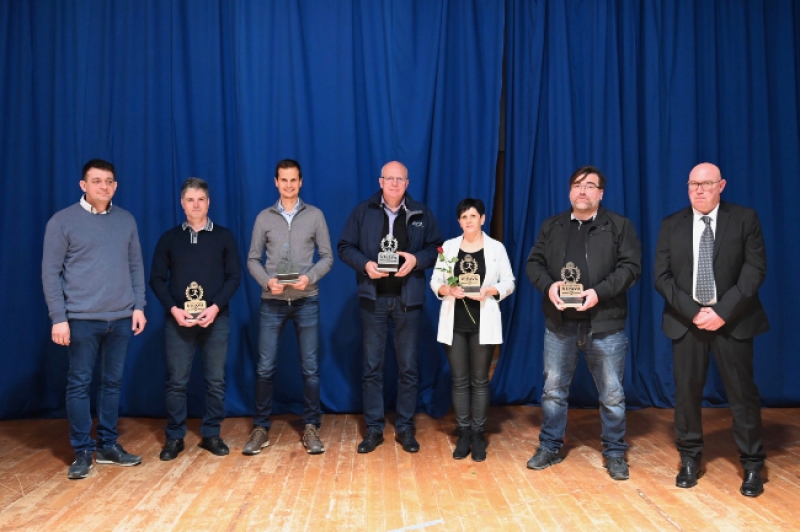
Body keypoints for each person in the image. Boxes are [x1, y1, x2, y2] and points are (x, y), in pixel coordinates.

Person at [655, 162, 768, 497]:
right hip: (686, 322)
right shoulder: (671, 224)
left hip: (733, 320)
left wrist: (721, 312)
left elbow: (754, 270)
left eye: (706, 184)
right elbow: (662, 277)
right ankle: (689, 458)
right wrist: (695, 313)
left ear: (722, 185)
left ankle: (752, 464)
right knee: (687, 394)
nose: (699, 190)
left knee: (742, 394)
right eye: (693, 184)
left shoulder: (745, 219)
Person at [526, 165, 641, 480]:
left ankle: (614, 452)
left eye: (590, 185)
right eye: (577, 184)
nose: (582, 190)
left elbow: (631, 267)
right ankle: (550, 446)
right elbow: (534, 263)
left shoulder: (619, 226)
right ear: (569, 192)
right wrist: (549, 286)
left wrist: (598, 293)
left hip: (604, 325)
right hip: (560, 325)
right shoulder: (552, 225)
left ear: (600, 193)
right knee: (553, 391)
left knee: (612, 394)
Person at [42, 159, 147, 479]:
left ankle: (108, 445)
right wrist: (58, 318)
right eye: (97, 181)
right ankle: (83, 450)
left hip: (121, 317)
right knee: (79, 384)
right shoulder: (62, 222)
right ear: (83, 185)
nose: (104, 186)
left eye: (109, 181)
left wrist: (139, 306)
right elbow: (50, 273)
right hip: (81, 319)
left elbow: (135, 266)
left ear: (115, 186)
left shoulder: (126, 220)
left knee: (112, 383)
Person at [338, 161, 443, 454]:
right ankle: (374, 428)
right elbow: (345, 247)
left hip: (408, 301)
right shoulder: (363, 211)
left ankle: (405, 426)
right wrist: (365, 265)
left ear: (407, 183)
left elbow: (437, 248)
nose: (394, 183)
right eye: (390, 178)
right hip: (373, 299)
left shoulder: (421, 213)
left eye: (400, 179)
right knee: (372, 367)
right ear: (380, 181)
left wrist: (417, 260)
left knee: (408, 367)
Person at [245, 159, 333, 455]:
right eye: (284, 180)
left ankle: (311, 426)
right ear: (276, 182)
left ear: (301, 182)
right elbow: (252, 259)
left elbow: (327, 257)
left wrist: (310, 277)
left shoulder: (315, 216)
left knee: (310, 368)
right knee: (265, 367)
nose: (289, 185)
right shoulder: (264, 218)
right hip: (273, 302)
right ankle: (260, 427)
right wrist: (266, 282)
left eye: (293, 180)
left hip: (307, 300)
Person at [149, 178, 241, 460]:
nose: (196, 204)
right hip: (179, 321)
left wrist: (214, 308)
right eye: (190, 200)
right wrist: (174, 310)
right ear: (182, 204)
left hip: (216, 319)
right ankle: (175, 437)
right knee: (177, 381)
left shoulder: (224, 236)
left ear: (208, 202)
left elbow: (234, 277)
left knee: (215, 380)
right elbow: (156, 279)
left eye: (201, 199)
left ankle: (211, 433)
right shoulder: (169, 239)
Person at [430, 198, 515, 462]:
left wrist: (490, 290)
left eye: (473, 216)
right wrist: (447, 289)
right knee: (459, 380)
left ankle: (478, 435)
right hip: (454, 322)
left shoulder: (496, 248)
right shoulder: (448, 248)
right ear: (459, 221)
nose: (469, 221)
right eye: (464, 217)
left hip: (483, 321)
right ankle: (463, 433)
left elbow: (509, 282)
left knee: (479, 380)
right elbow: (436, 280)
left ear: (482, 219)